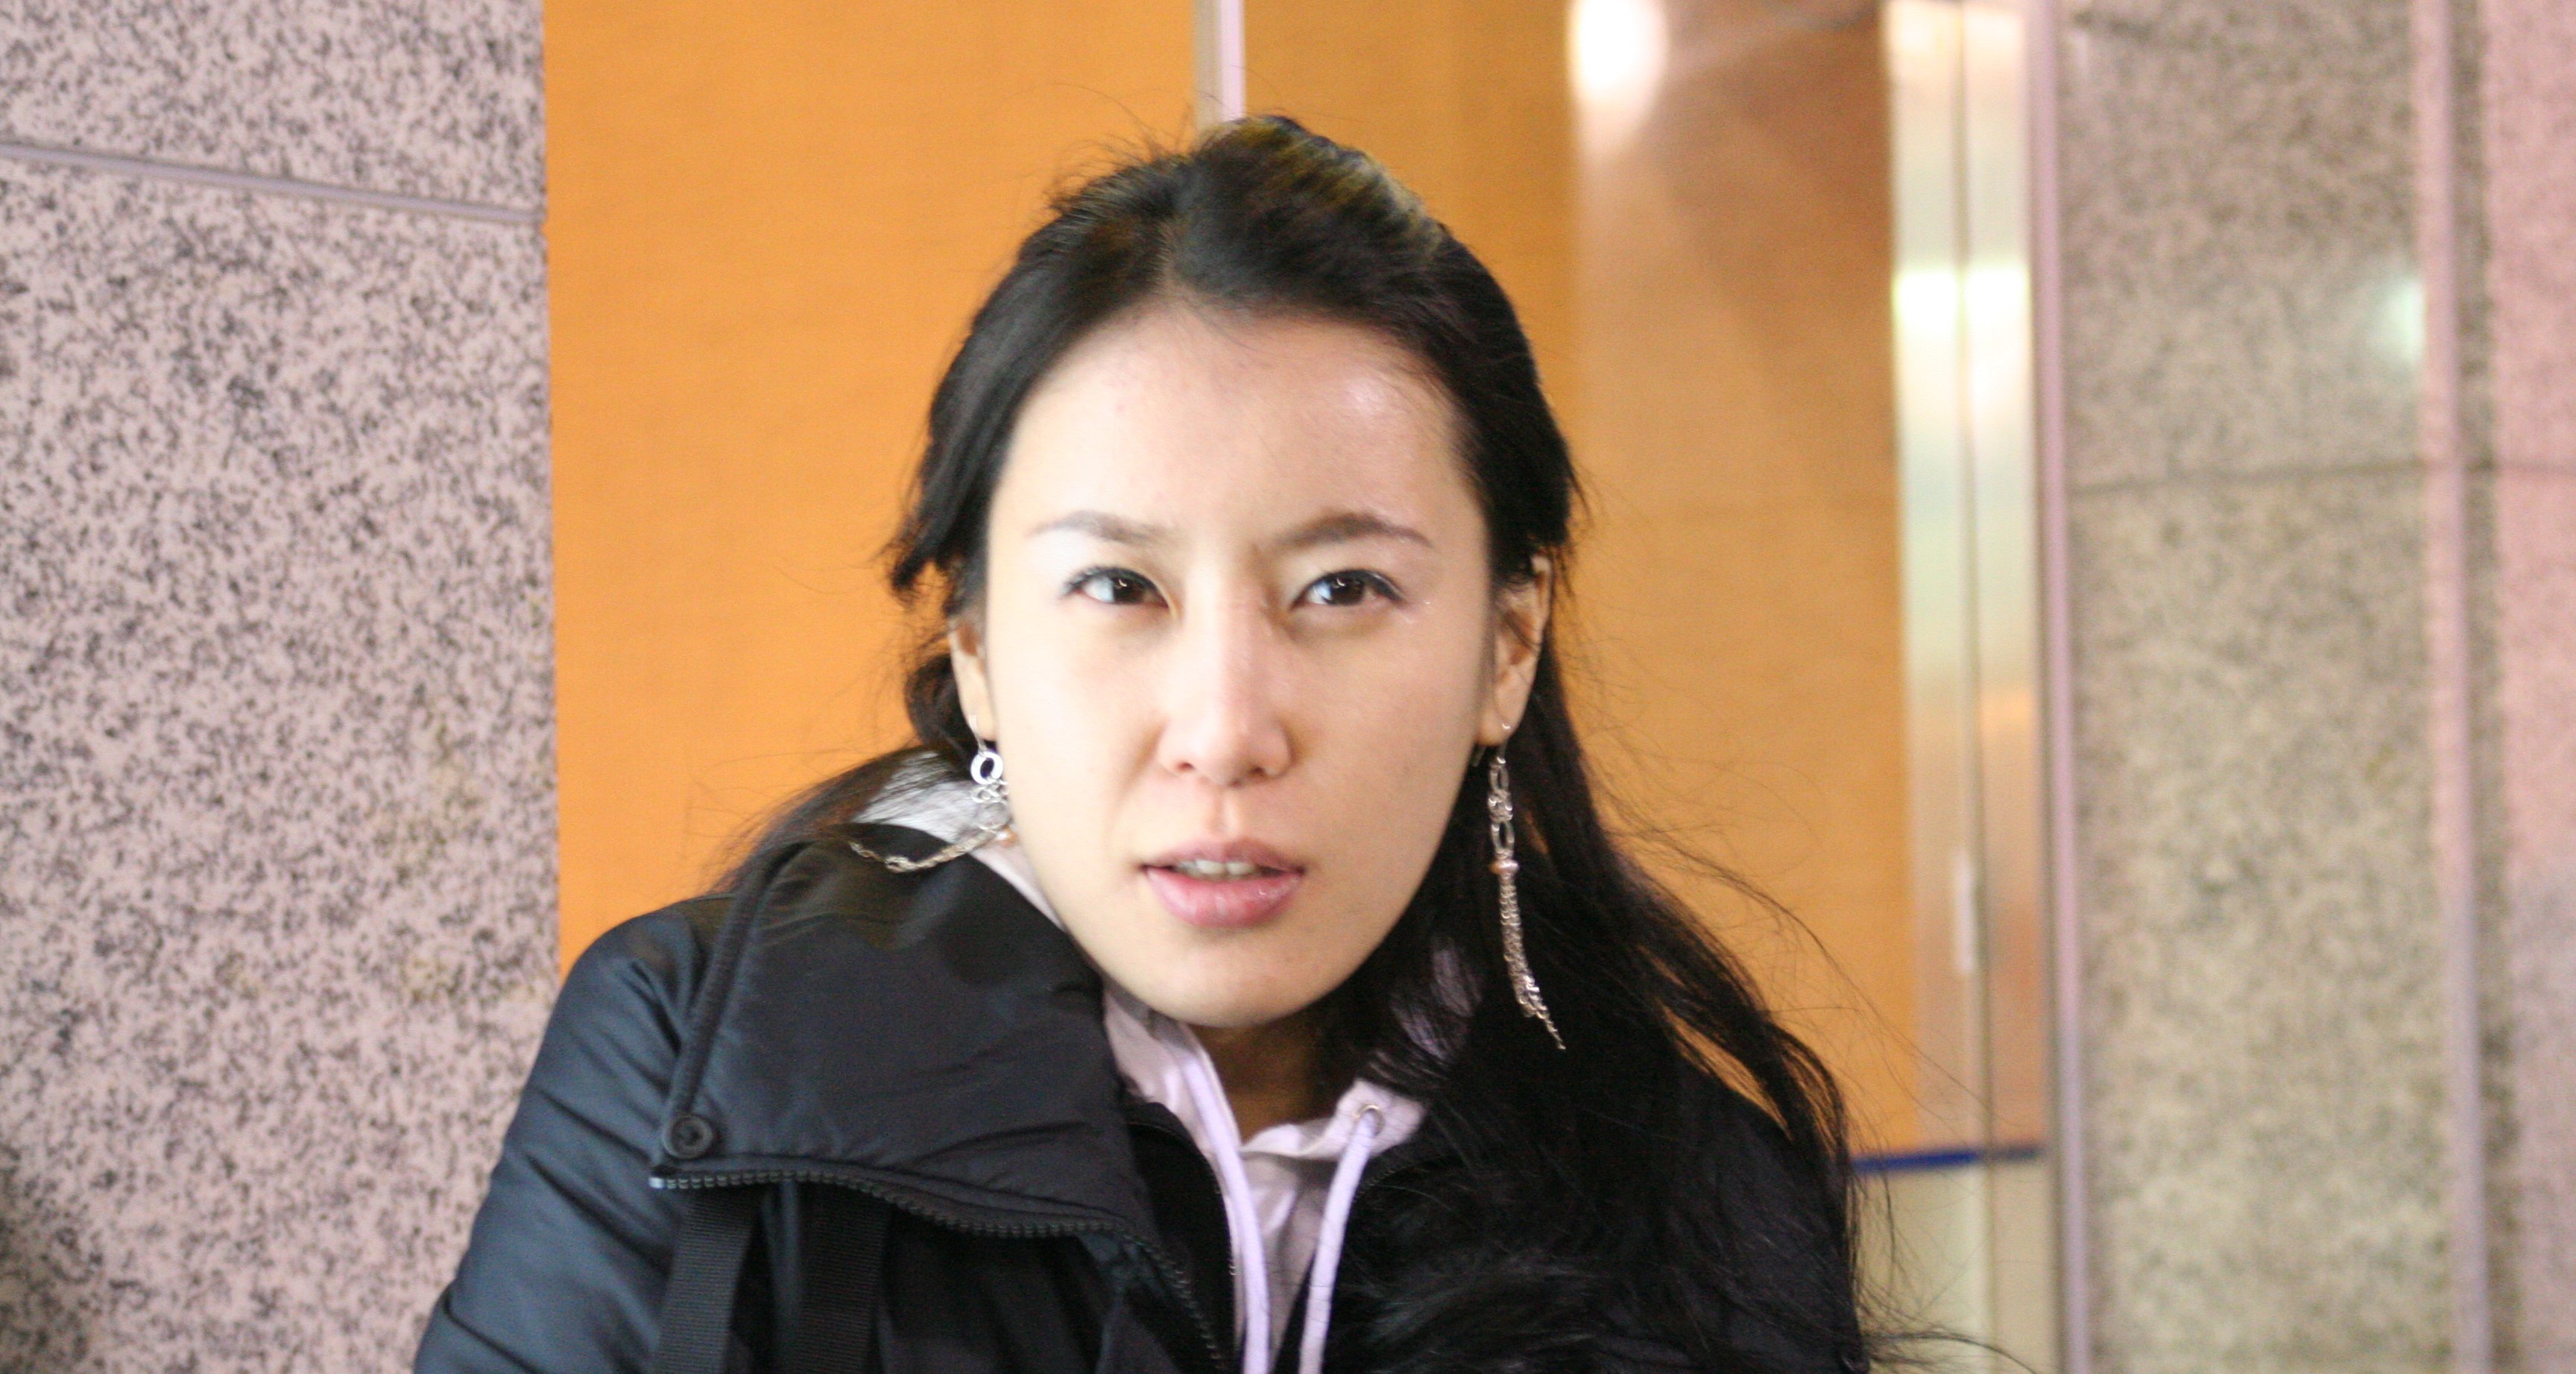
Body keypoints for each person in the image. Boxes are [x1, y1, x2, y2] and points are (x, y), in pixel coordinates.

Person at [415, 117, 1866, 1374]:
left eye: (1343, 590)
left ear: (1507, 645)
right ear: (977, 646)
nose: (1227, 731)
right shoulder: (703, 1070)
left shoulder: (1702, 1198)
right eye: (1119, 587)